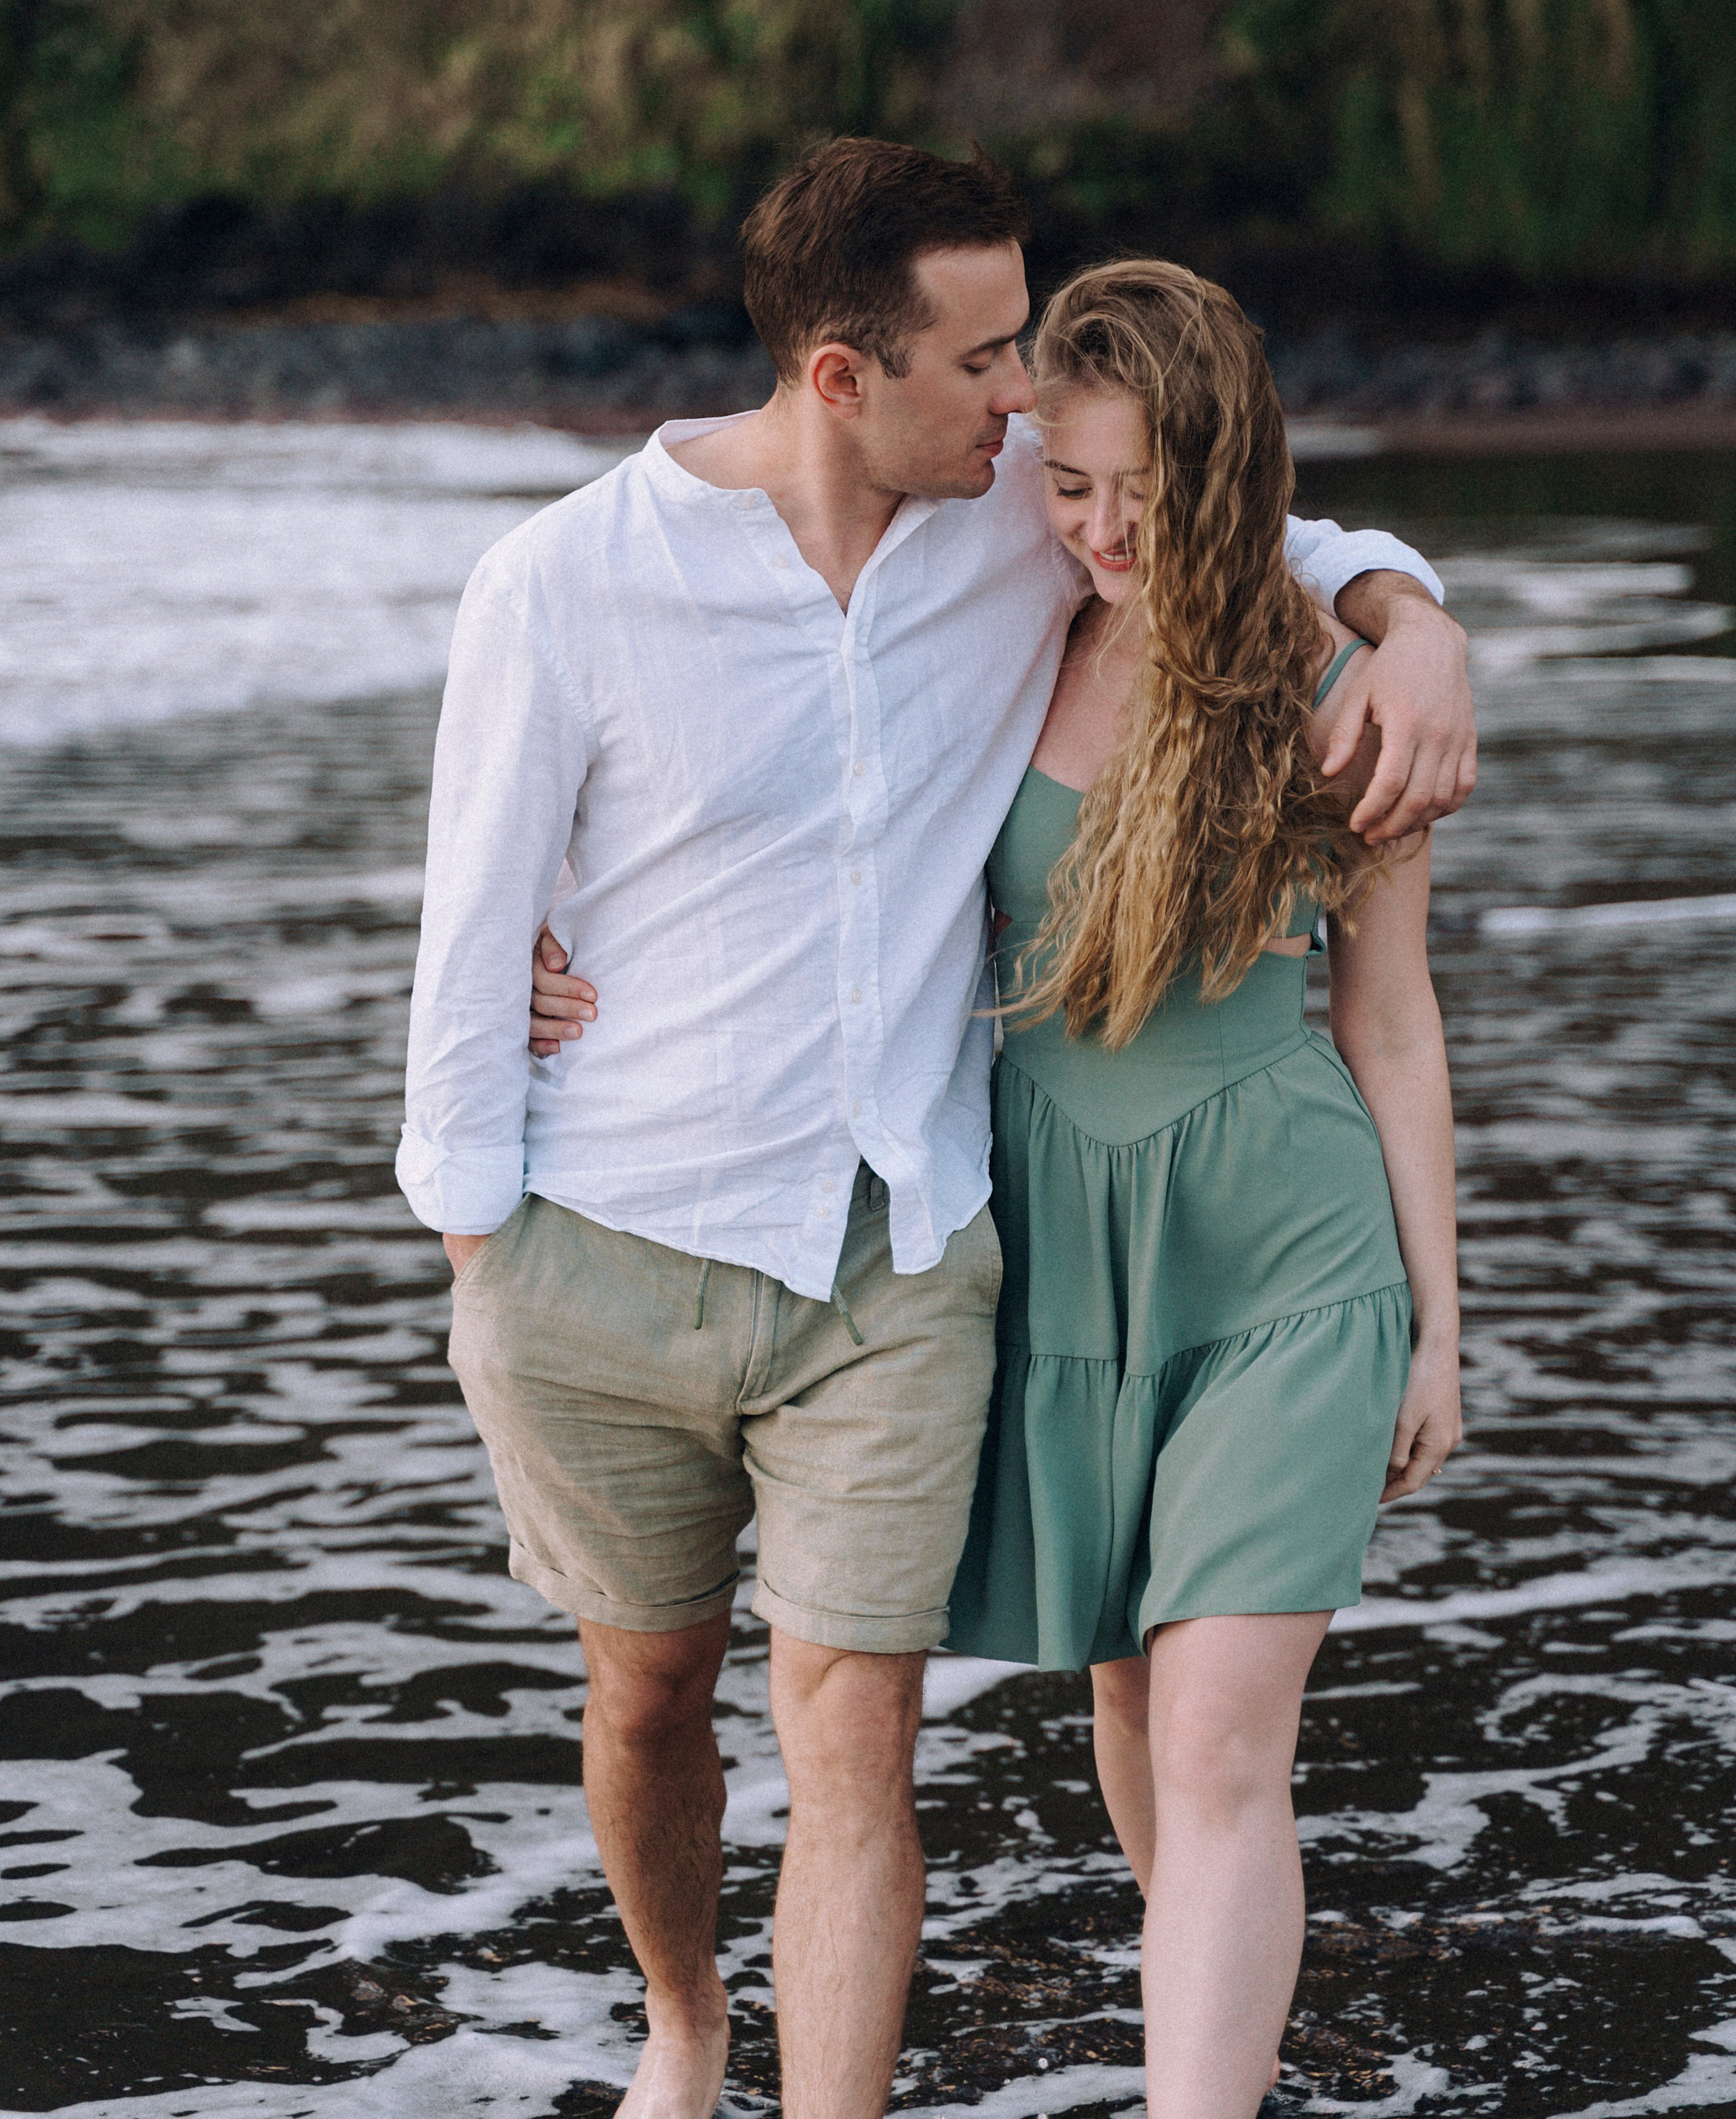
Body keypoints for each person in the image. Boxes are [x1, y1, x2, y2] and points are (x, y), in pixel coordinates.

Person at [400, 137, 1474, 2119]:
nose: (1022, 406)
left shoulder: (1037, 531)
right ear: (845, 375)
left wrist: (1423, 625)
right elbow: (470, 923)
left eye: (1024, 360)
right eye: (985, 364)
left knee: (900, 1740)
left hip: (937, 1253)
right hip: (686, 1239)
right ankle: (687, 2022)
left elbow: (1244, 513)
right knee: (666, 1698)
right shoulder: (582, 581)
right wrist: (481, 1239)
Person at [942, 258, 1462, 2118]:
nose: (1102, 532)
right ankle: (1221, 2045)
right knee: (1130, 1700)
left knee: (1225, 1734)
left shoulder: (1337, 684)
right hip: (1062, 1257)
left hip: (1287, 1261)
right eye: (1071, 485)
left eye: (1145, 498)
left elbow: (1389, 1019)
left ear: (1226, 477)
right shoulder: (999, 628)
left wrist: (1440, 1329)